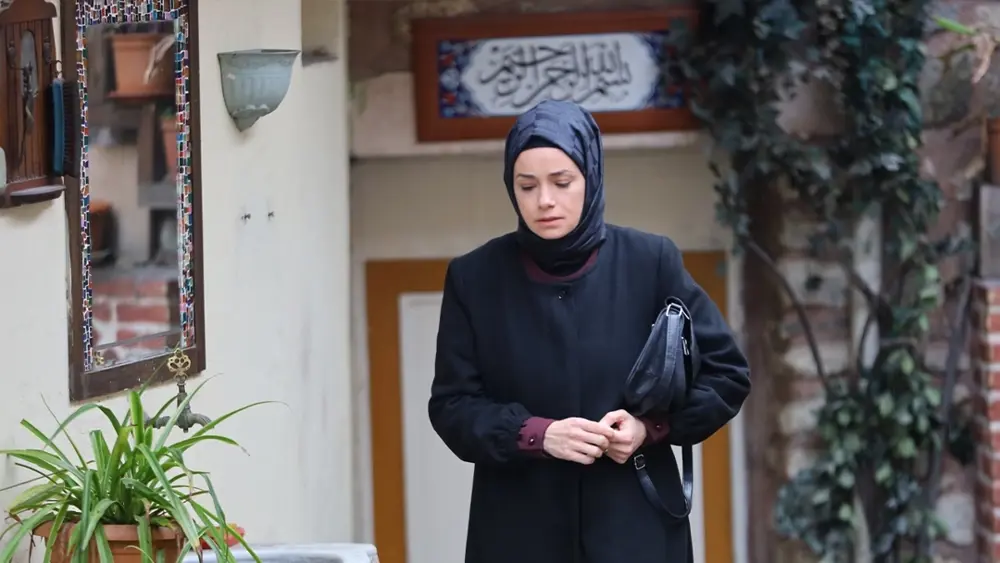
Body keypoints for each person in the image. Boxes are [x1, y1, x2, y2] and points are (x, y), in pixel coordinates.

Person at [427, 100, 751, 563]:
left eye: (562, 182)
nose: (544, 200)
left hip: (634, 528)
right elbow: (452, 405)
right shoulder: (474, 278)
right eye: (527, 185)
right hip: (519, 531)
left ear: (591, 177)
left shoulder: (650, 262)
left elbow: (727, 374)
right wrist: (536, 434)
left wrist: (650, 428)